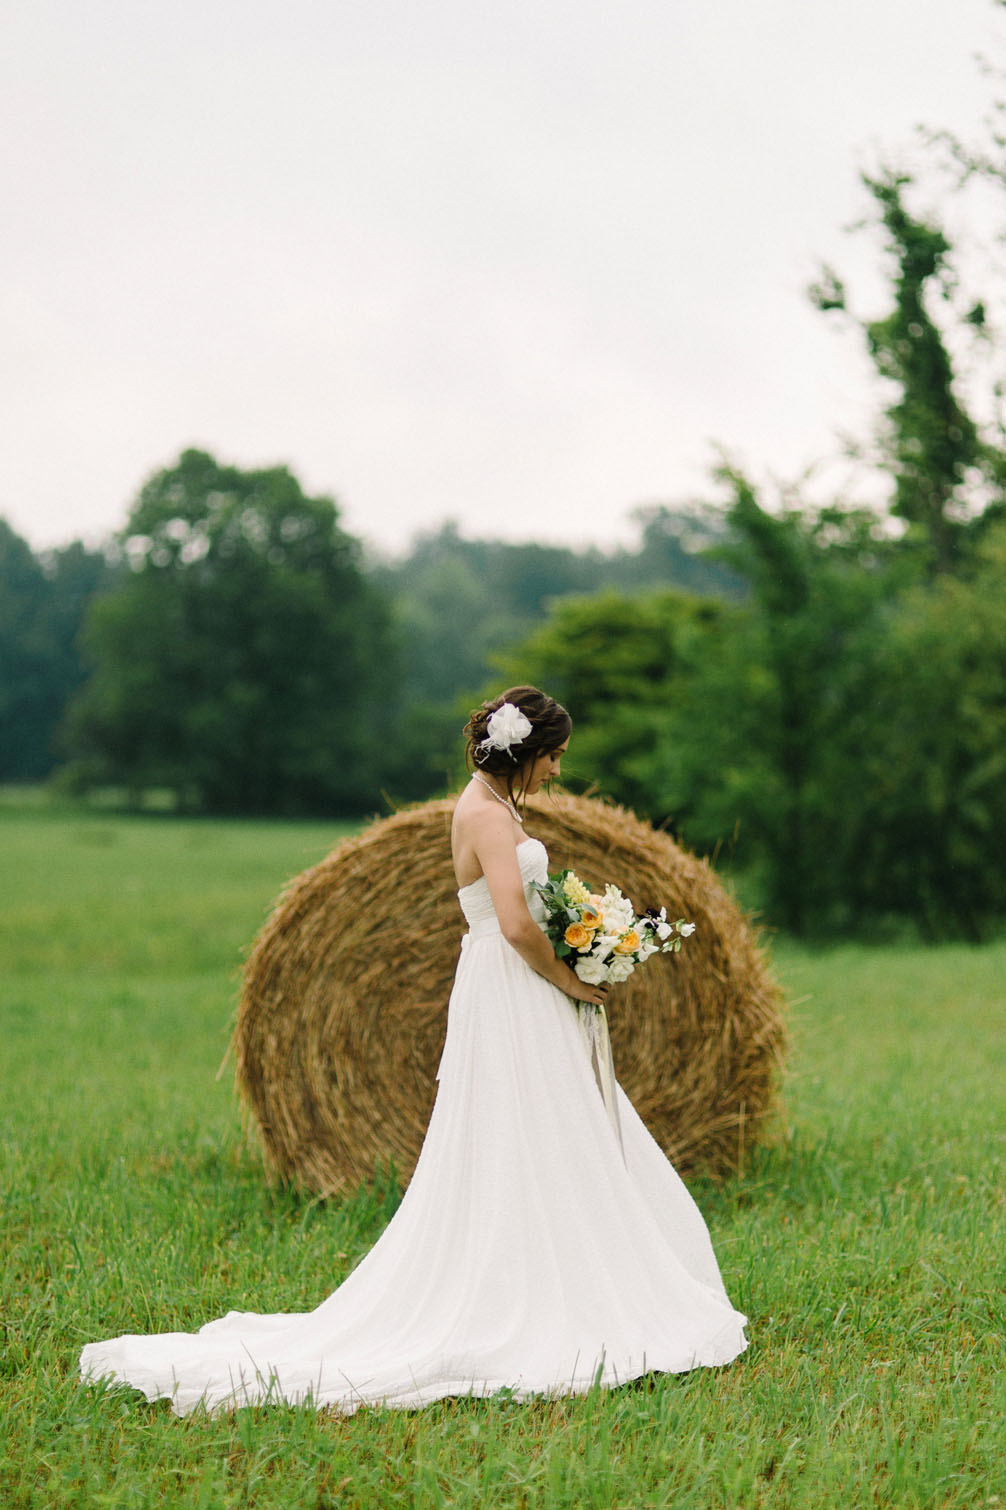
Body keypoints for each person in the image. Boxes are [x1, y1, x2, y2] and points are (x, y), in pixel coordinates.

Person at [80, 686, 747, 1415]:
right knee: (523, 1121)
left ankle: (567, 1267)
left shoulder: (499, 805)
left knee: (551, 1123)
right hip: (512, 981)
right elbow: (519, 926)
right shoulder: (486, 815)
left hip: (515, 980)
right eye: (554, 758)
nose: (558, 771)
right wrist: (573, 978)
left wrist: (587, 936)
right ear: (526, 751)